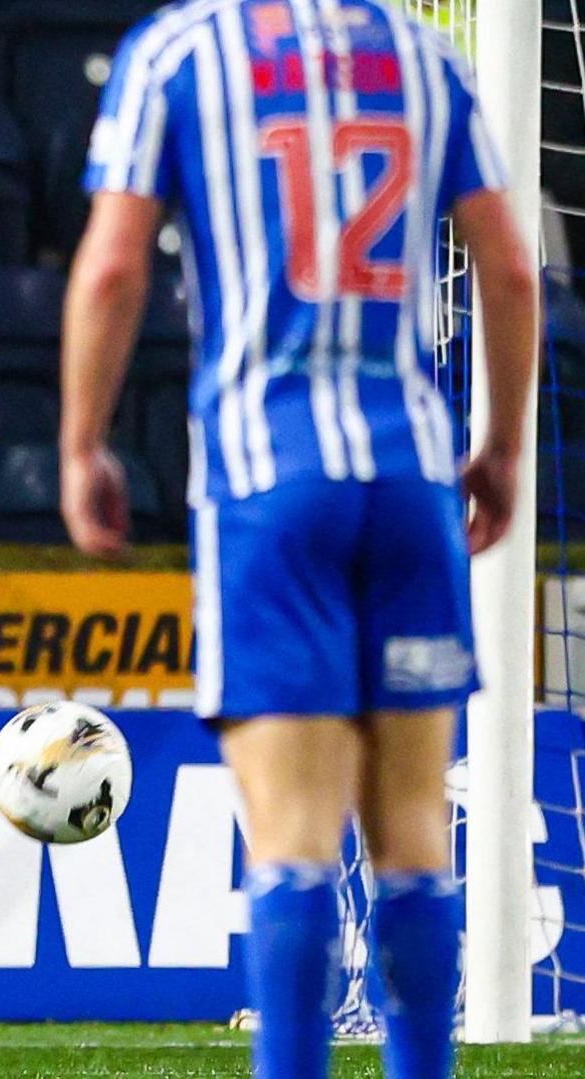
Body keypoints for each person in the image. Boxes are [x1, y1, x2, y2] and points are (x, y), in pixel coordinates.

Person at [60, 3, 535, 1077]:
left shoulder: (181, 52)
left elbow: (110, 269)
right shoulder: (425, 55)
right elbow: (509, 271)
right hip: (412, 481)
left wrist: (83, 441)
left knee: (293, 840)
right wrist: (501, 445)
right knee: (416, 832)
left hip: (267, 482)